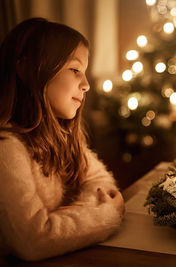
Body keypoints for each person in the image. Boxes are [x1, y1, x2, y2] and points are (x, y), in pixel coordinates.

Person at [0, 18, 125, 261]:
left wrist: (81, 210)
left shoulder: (59, 136)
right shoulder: (6, 149)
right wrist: (106, 214)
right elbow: (33, 241)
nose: (87, 85)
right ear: (29, 69)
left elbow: (101, 181)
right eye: (75, 70)